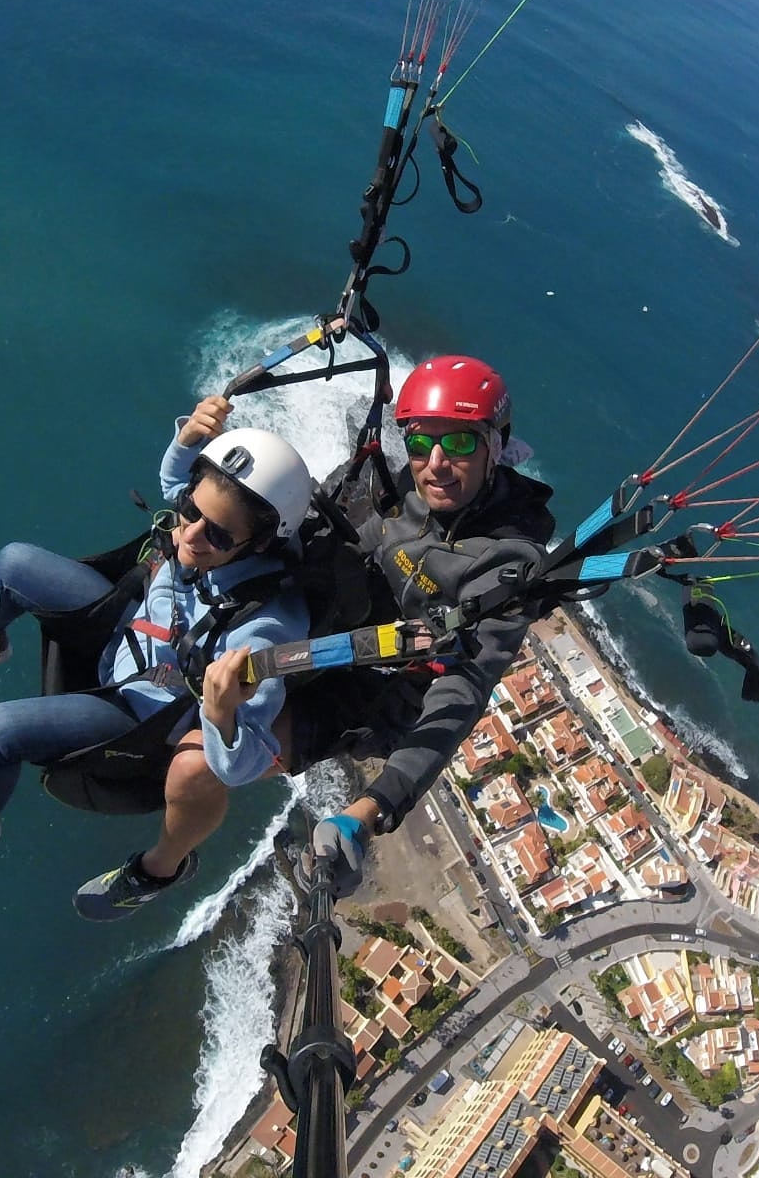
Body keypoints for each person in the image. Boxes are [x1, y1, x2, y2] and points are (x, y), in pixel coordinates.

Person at [0, 395, 313, 920]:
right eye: (192, 512)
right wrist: (187, 440)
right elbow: (176, 485)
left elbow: (243, 763)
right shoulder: (212, 526)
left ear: (258, 546)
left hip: (132, 710)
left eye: (215, 533)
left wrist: (219, 714)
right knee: (13, 563)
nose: (188, 535)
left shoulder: (264, 628)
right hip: (124, 632)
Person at [205, 354, 556, 898]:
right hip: (333, 642)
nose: (436, 462)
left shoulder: (509, 567)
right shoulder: (409, 498)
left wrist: (371, 809)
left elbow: (461, 693)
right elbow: (342, 543)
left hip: (376, 699)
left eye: (460, 443)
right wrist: (209, 473)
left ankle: (160, 867)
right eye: (420, 443)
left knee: (199, 762)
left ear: (496, 445)